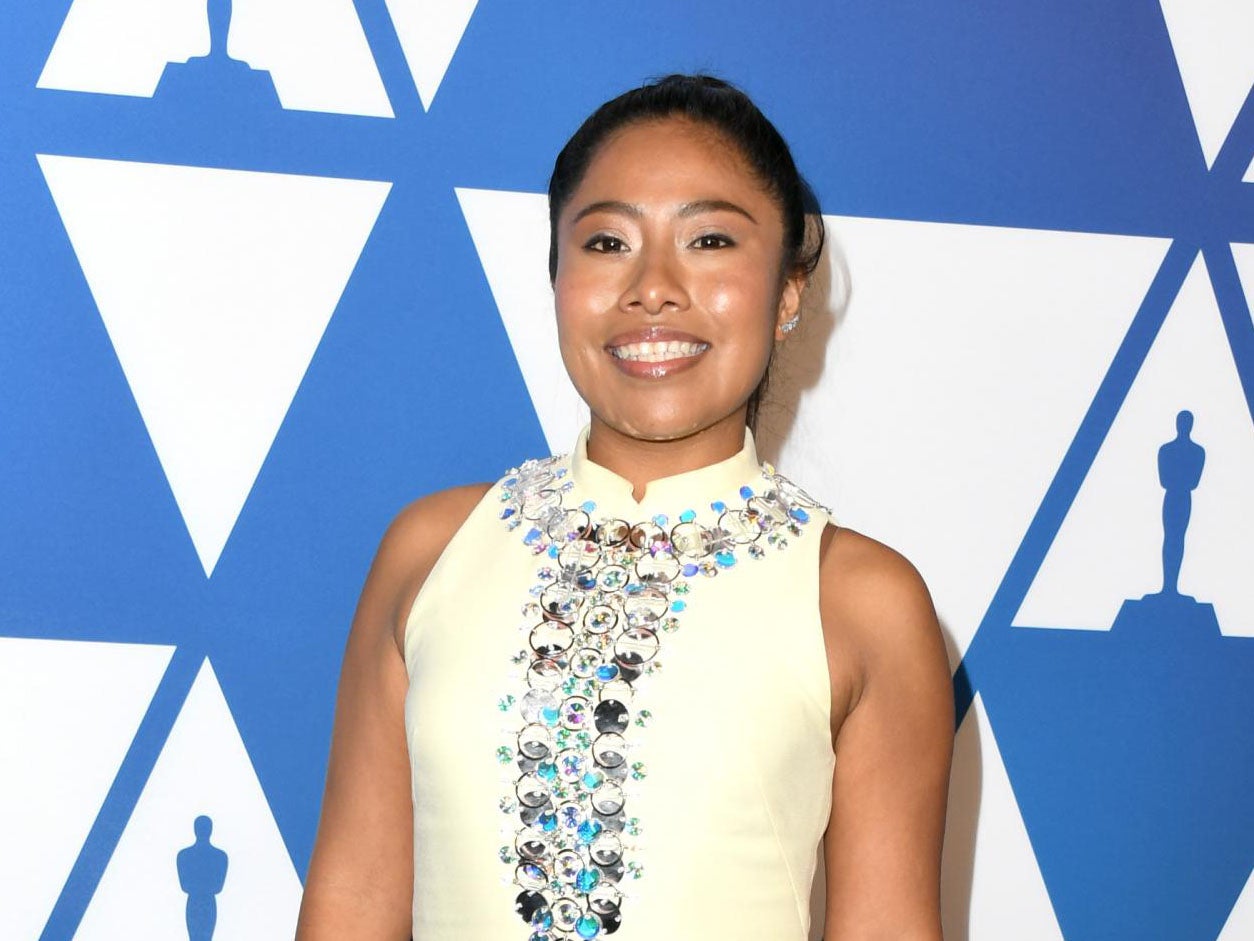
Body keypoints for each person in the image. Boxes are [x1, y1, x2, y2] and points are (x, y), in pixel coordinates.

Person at [297, 74, 953, 940]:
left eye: (710, 239)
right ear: (557, 277)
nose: (653, 286)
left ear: (789, 292)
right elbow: (351, 902)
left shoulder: (863, 600)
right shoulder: (431, 550)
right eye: (607, 242)